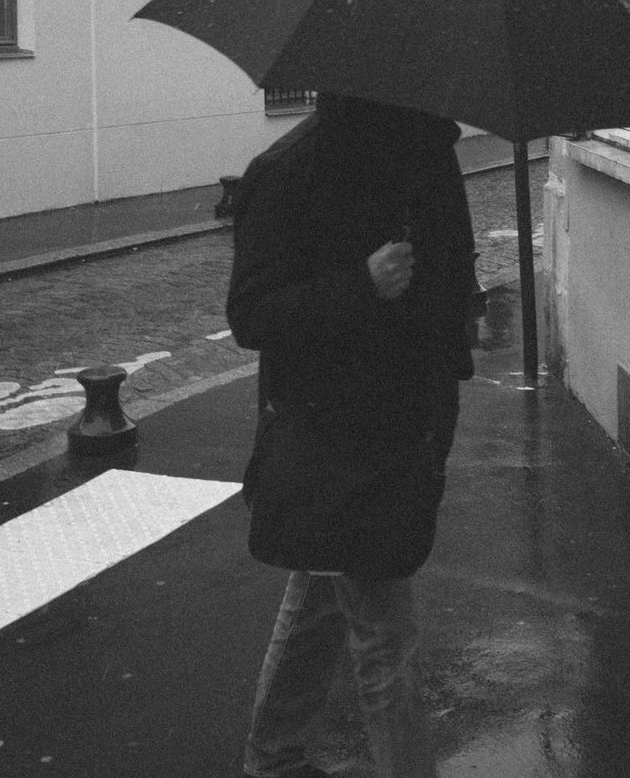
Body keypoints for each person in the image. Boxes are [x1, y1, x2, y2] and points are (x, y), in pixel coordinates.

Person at [227, 92, 480, 778]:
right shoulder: (291, 170)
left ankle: (272, 757)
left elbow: (454, 266)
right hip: (334, 434)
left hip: (413, 426)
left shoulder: (429, 152)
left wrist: (463, 333)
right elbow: (252, 313)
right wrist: (361, 286)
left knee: (321, 593)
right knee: (385, 642)